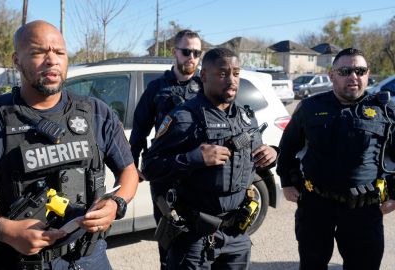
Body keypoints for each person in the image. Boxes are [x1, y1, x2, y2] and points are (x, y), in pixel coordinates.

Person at [0, 20, 138, 270]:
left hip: (88, 258)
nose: (52, 60)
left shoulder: (96, 113)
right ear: (16, 60)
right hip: (13, 262)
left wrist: (115, 203)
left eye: (59, 52)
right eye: (38, 52)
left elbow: (129, 171)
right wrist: (4, 230)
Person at [142, 47, 278, 269]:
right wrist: (194, 158)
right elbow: (150, 167)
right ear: (204, 76)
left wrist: (272, 153)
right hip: (194, 238)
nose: (232, 80)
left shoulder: (246, 118)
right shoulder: (183, 118)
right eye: (223, 74)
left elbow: (254, 160)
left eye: (236, 73)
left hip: (237, 235)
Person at [277, 48, 395, 270]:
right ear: (332, 75)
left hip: (364, 210)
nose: (353, 76)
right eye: (346, 71)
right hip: (315, 205)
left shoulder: (385, 110)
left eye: (360, 71)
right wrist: (287, 182)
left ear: (368, 74)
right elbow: (288, 146)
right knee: (312, 265)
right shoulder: (311, 107)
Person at [129, 29, 203, 269]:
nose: (191, 57)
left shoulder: (206, 87)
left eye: (196, 53)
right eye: (186, 51)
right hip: (164, 173)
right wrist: (133, 165)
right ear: (175, 52)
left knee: (198, 238)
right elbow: (140, 128)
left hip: (196, 172)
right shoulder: (156, 88)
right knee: (167, 236)